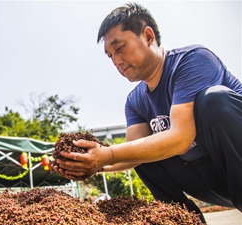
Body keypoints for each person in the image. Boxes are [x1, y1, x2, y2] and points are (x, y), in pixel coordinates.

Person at [53, 2, 242, 222]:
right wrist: (87, 163)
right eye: (110, 55)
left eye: (120, 47)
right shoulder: (135, 101)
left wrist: (108, 154)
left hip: (233, 165)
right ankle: (184, 221)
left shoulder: (193, 60)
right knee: (139, 151)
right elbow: (129, 155)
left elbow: (181, 138)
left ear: (148, 37)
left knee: (214, 100)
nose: (116, 61)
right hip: (207, 179)